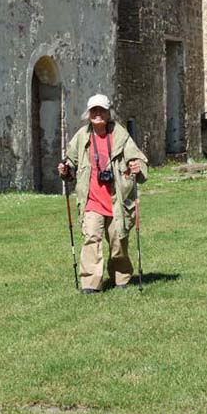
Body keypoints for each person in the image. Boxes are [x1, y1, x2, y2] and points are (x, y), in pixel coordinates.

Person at [58, 94, 148, 294]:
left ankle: (121, 277)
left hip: (117, 200)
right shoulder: (82, 136)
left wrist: (136, 166)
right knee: (91, 237)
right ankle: (90, 283)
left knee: (118, 241)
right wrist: (65, 169)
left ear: (108, 113)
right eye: (94, 110)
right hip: (91, 199)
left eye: (101, 110)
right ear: (88, 114)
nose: (97, 114)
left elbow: (138, 160)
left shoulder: (121, 135)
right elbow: (70, 162)